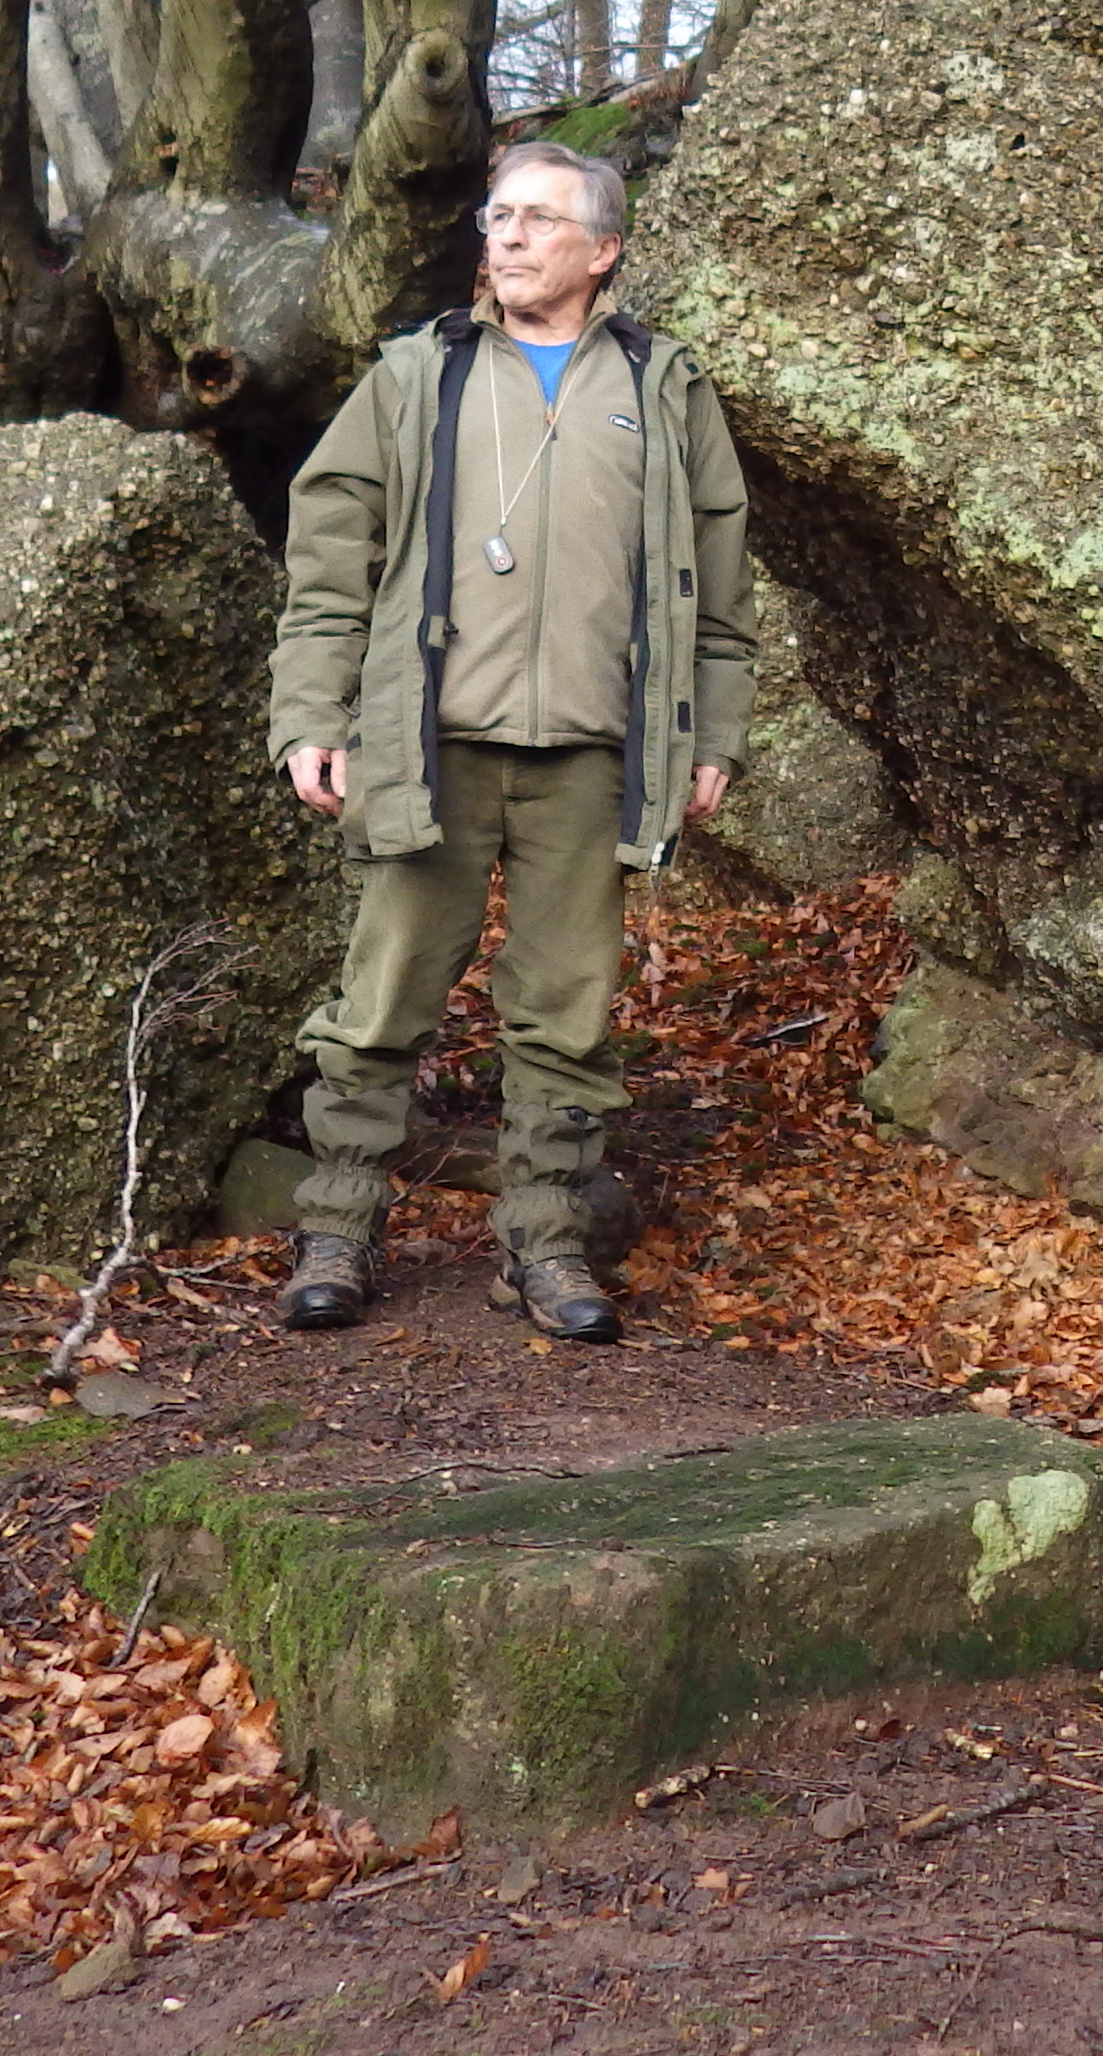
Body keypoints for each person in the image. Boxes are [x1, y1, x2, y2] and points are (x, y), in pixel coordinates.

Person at [264, 139, 752, 1339]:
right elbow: (328, 562)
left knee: (569, 1016)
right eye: (499, 217)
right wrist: (313, 715)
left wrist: (713, 735)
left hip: (594, 754)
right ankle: (337, 1229)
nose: (512, 236)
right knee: (382, 1000)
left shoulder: (663, 386)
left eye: (540, 219)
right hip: (428, 745)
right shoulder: (416, 373)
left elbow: (720, 590)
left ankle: (546, 1245)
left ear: (605, 250)